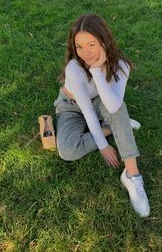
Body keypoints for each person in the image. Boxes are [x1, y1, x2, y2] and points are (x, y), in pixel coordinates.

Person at [54, 14, 150, 217]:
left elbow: (114, 105)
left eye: (91, 44)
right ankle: (112, 128)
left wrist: (97, 71)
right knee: (68, 151)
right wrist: (103, 146)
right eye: (79, 47)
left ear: (104, 41)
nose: (85, 53)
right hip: (71, 107)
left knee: (119, 109)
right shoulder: (74, 68)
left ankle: (132, 175)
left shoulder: (121, 65)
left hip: (101, 101)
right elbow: (86, 111)